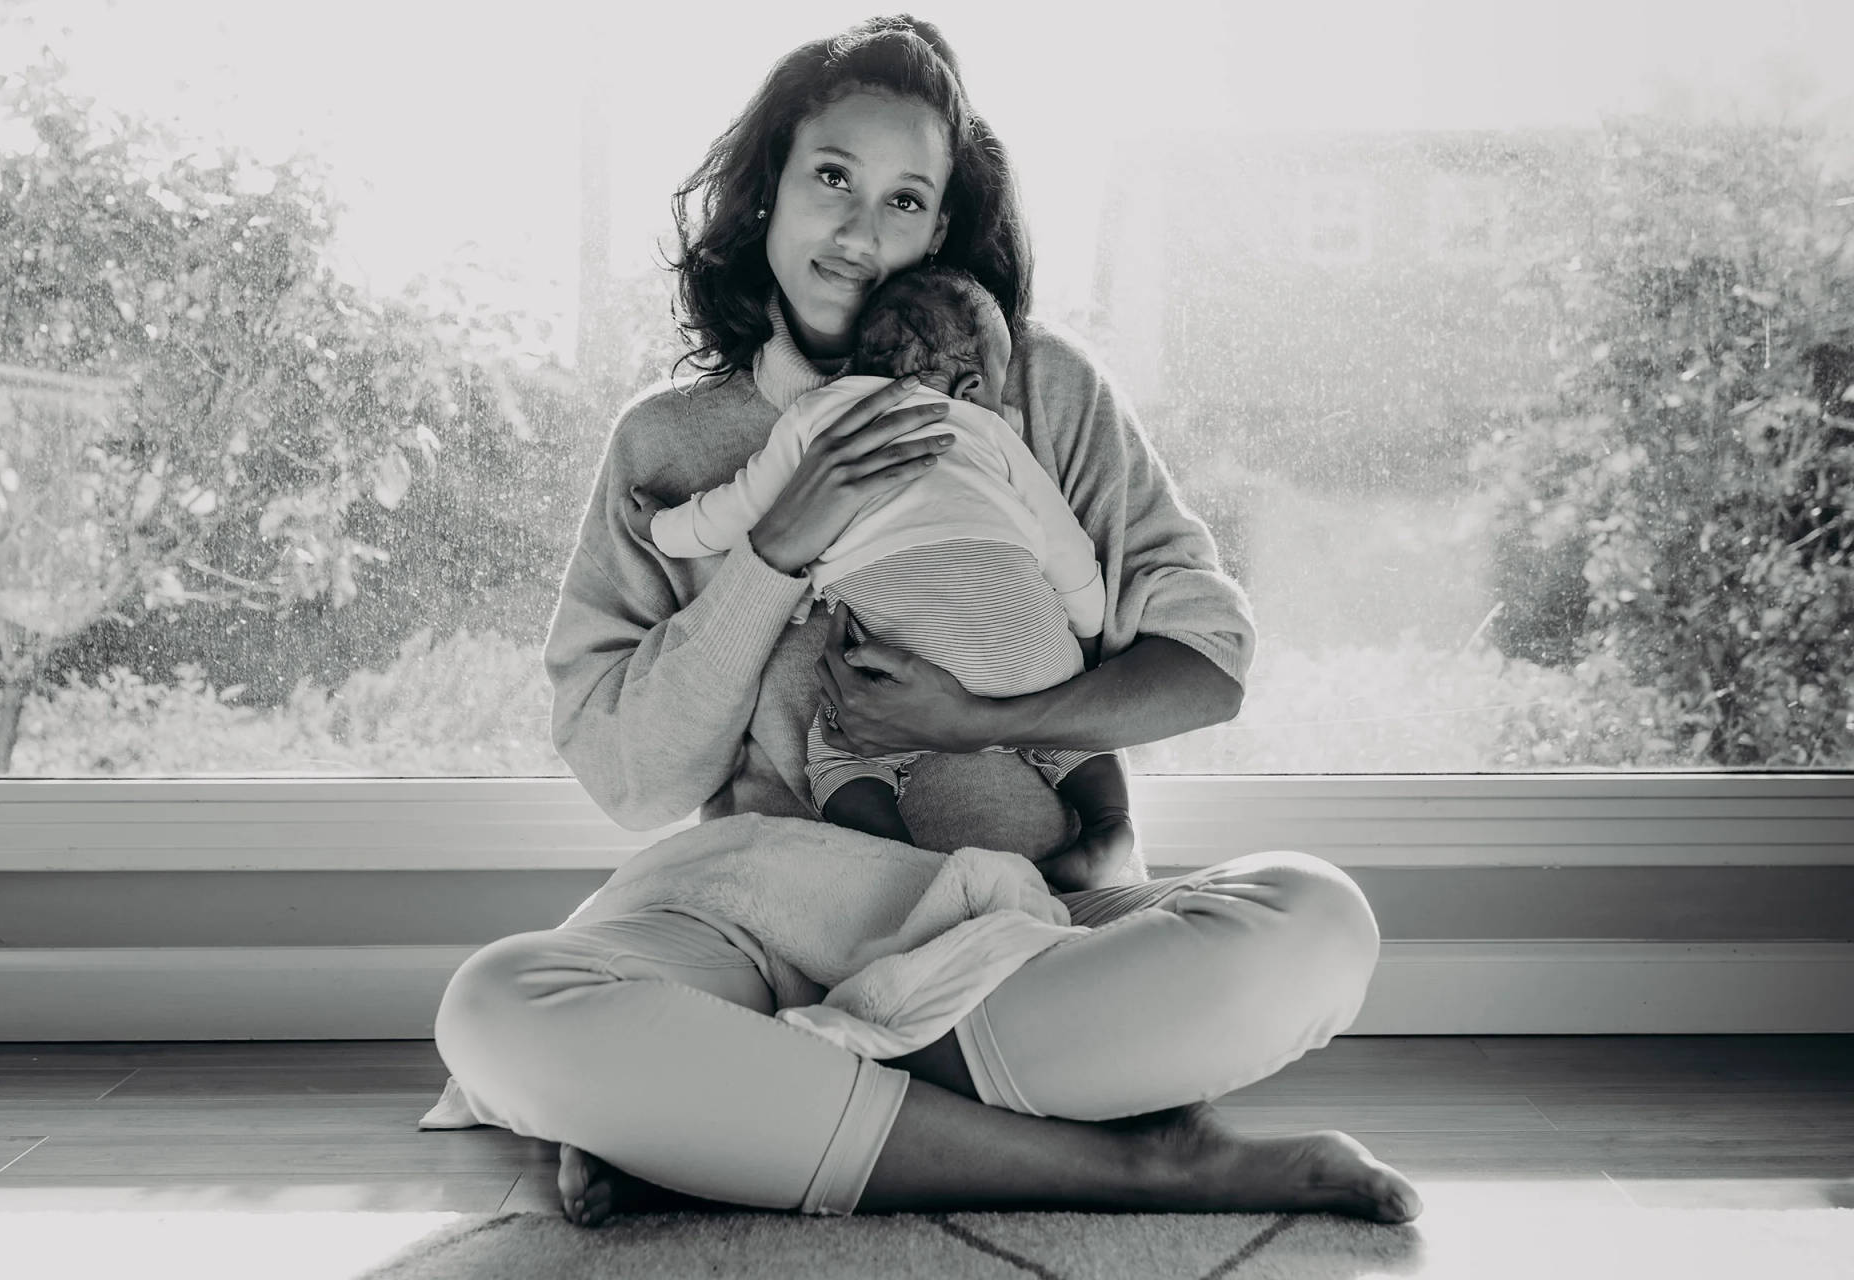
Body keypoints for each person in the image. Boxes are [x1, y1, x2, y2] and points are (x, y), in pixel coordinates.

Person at [434, 13, 1423, 1229]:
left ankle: (740, 1109)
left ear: (943, 229)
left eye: (907, 201)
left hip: (1029, 915)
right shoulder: (671, 442)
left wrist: (987, 716)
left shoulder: (1038, 390)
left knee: (1317, 919)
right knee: (500, 1004)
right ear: (768, 195)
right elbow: (633, 774)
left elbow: (1206, 664)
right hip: (764, 914)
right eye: (832, 179)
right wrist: (777, 547)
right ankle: (1129, 1163)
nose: (859, 230)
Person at [627, 264, 1135, 892]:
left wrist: (662, 530)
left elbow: (736, 510)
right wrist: (1083, 627)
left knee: (841, 754)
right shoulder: (989, 429)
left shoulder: (819, 419)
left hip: (901, 650)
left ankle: (906, 870)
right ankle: (1109, 827)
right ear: (972, 384)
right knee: (1078, 733)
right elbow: (1063, 541)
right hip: (1031, 650)